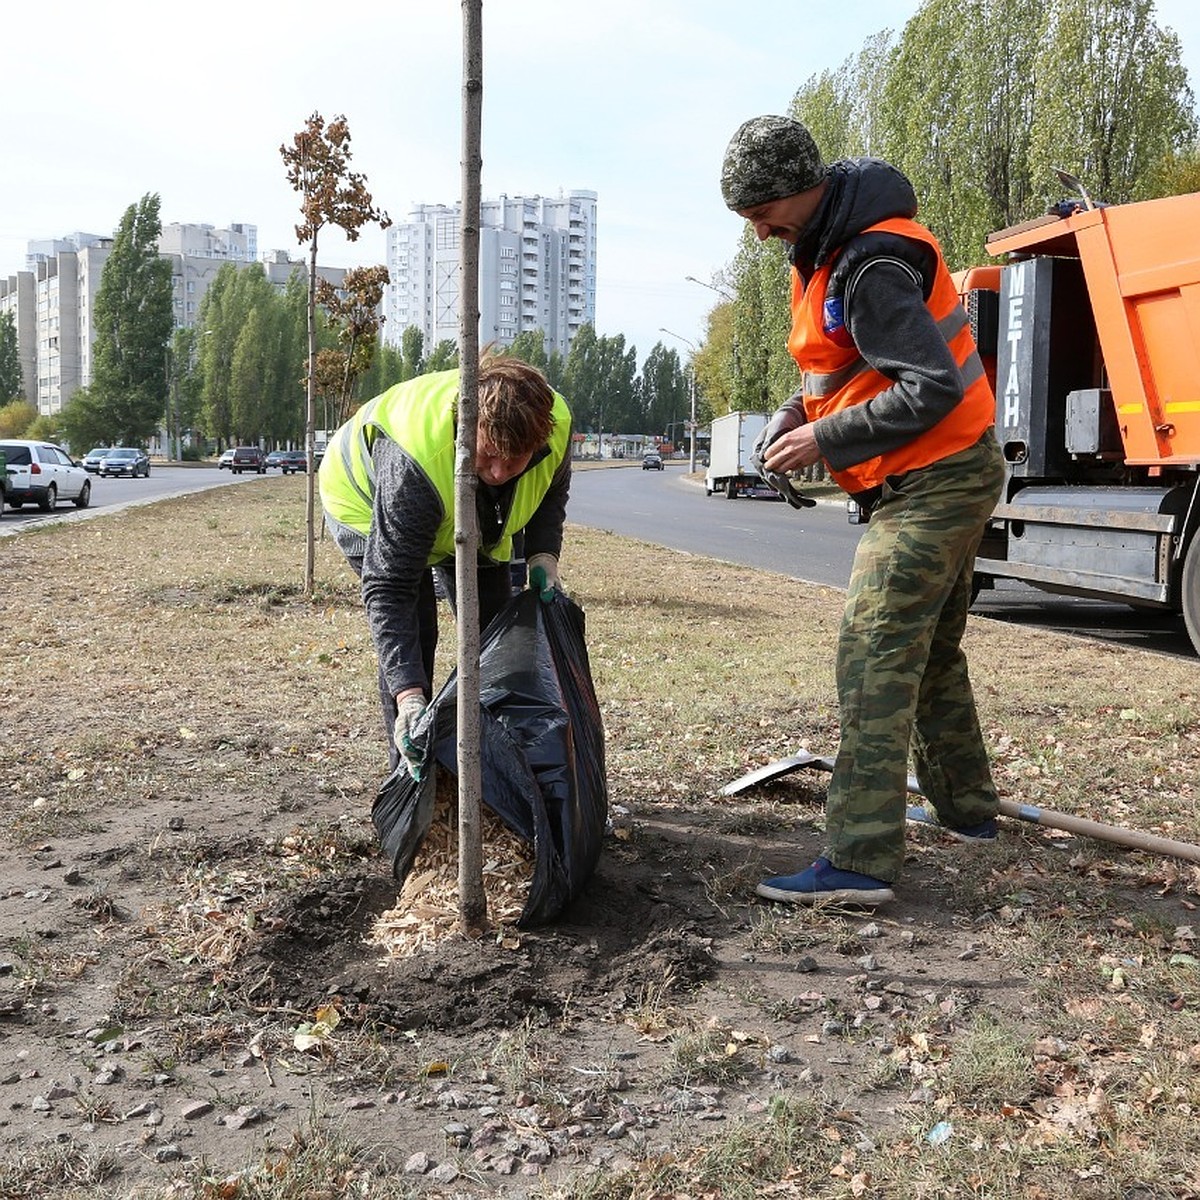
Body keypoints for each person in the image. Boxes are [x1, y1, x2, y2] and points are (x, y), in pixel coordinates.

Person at [720, 114, 1005, 907]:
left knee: (875, 653)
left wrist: (824, 440)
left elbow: (930, 387)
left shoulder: (873, 258)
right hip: (944, 469)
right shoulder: (829, 249)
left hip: (936, 475)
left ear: (797, 190)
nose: (755, 233)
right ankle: (970, 812)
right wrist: (793, 413)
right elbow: (847, 365)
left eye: (757, 214)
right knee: (931, 653)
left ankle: (861, 859)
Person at [318, 355, 572, 776]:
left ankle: (490, 766)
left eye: (514, 463)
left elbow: (551, 490)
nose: (497, 472)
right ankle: (409, 769)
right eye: (489, 455)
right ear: (467, 424)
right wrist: (409, 696)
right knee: (417, 634)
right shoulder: (416, 463)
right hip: (365, 503)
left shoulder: (553, 424)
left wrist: (544, 555)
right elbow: (390, 587)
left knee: (494, 636)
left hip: (460, 513)